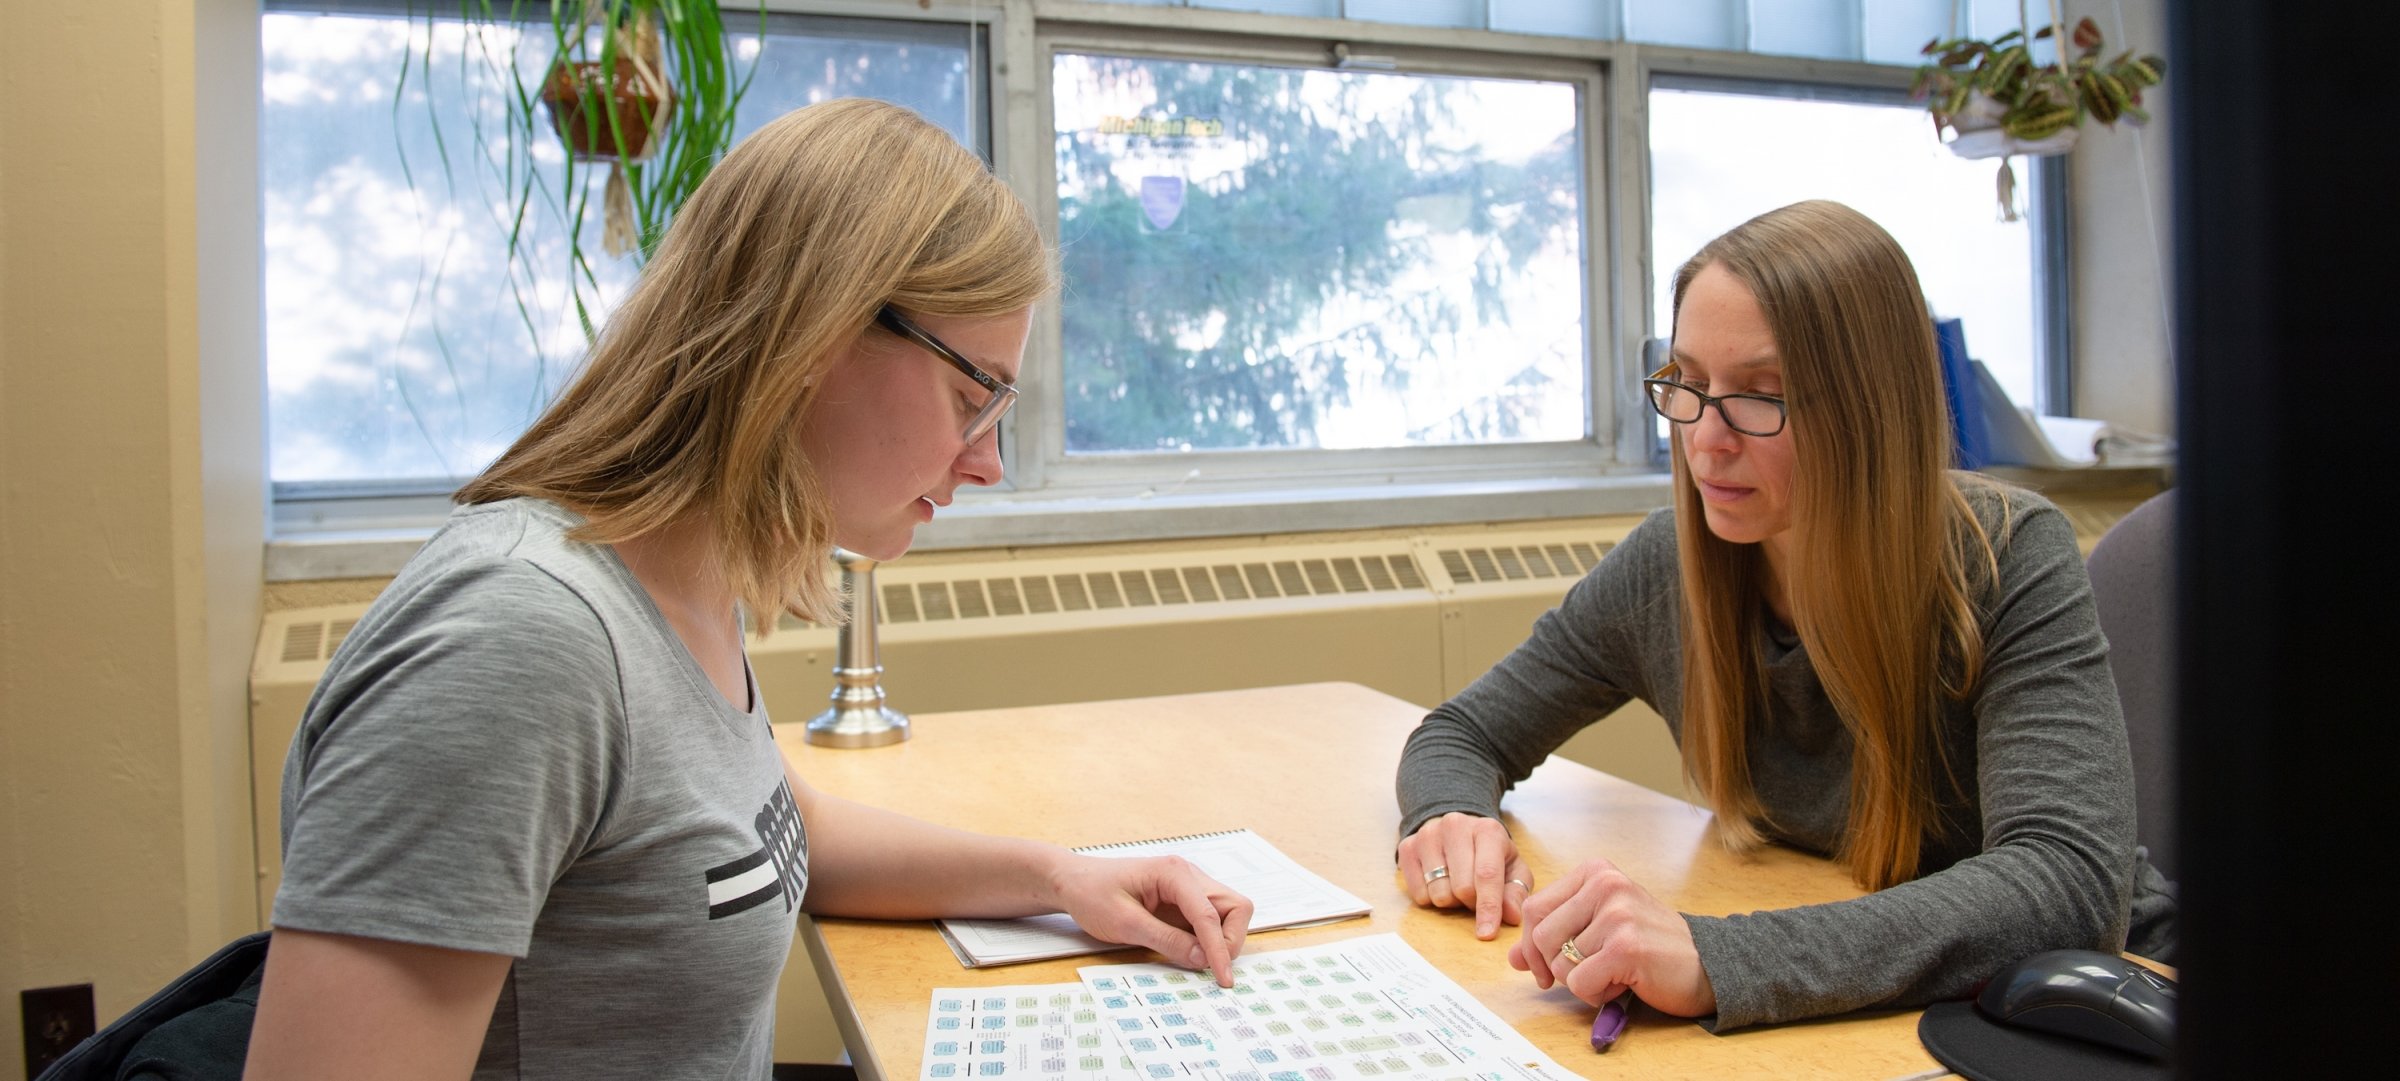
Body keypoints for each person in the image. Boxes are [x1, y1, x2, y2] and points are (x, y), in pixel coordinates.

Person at [244, 99, 1253, 1081]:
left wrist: (1061, 877)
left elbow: (772, 823)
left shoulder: (676, 581)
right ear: (815, 335)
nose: (986, 462)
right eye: (970, 397)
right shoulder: (519, 643)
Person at [1393, 200, 2175, 1032]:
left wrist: (1718, 957)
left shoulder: (2007, 557)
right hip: (1874, 1003)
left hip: (2103, 1003)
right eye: (1688, 383)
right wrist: (1450, 814)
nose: (1706, 441)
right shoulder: (1667, 567)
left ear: (1870, 409)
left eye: (1761, 396)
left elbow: (2066, 885)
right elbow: (1462, 732)